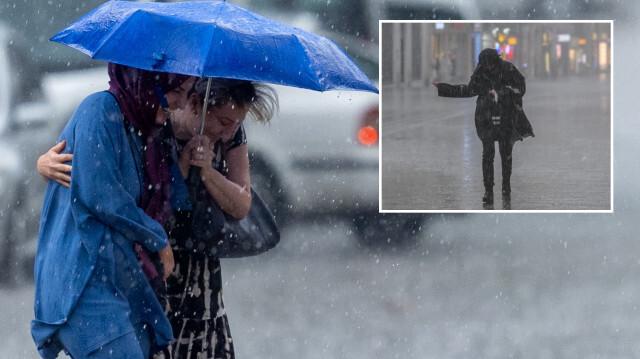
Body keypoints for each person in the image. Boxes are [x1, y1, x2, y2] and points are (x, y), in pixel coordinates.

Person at [38, 77, 279, 359]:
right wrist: (44, 166)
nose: (230, 132)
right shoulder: (152, 118)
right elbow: (103, 180)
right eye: (224, 122)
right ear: (196, 103)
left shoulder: (230, 136)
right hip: (150, 258)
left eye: (238, 123)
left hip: (196, 264)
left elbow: (241, 204)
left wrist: (207, 172)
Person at [31, 63, 195, 359]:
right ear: (147, 81)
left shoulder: (144, 128)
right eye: (177, 91)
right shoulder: (99, 110)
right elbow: (101, 195)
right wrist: (157, 238)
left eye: (189, 93)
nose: (182, 103)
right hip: (83, 282)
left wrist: (195, 161)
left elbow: (166, 197)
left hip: (121, 279)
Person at [431, 48, 534, 206]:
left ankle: (506, 185)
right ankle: (488, 190)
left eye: (490, 66)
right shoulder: (480, 72)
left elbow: (520, 89)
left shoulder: (508, 69)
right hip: (485, 118)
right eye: (485, 66)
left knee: (505, 153)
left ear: (495, 62)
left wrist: (501, 92)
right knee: (487, 155)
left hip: (505, 117)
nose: (488, 68)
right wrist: (443, 88)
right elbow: (469, 90)